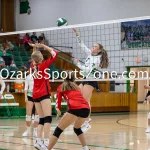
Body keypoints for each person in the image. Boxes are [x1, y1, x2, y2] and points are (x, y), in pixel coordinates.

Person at [72, 28, 109, 132]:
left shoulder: (97, 59)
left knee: (85, 100)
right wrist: (77, 35)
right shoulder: (90, 54)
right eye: (93, 46)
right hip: (85, 78)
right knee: (77, 95)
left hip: (91, 80)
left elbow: (87, 69)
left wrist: (77, 63)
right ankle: (82, 117)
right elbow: (82, 46)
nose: (93, 48)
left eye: (95, 47)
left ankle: (87, 122)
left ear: (99, 50)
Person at [48, 71, 90, 150]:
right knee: (77, 128)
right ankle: (85, 148)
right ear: (73, 78)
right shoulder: (77, 87)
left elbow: (58, 102)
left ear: (64, 77)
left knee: (58, 130)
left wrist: (58, 111)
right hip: (86, 109)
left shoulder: (61, 87)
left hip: (74, 109)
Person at [29, 43, 58, 149]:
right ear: (41, 57)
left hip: (35, 94)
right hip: (43, 93)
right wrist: (44, 46)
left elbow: (34, 56)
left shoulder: (33, 66)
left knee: (41, 119)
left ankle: (37, 141)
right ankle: (46, 142)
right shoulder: (44, 65)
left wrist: (35, 47)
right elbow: (55, 54)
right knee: (48, 118)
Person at [22, 73, 39, 137]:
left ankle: (35, 131)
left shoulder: (40, 76)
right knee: (28, 115)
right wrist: (25, 97)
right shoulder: (28, 77)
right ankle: (28, 130)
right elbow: (26, 88)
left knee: (37, 115)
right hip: (30, 96)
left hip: (38, 96)